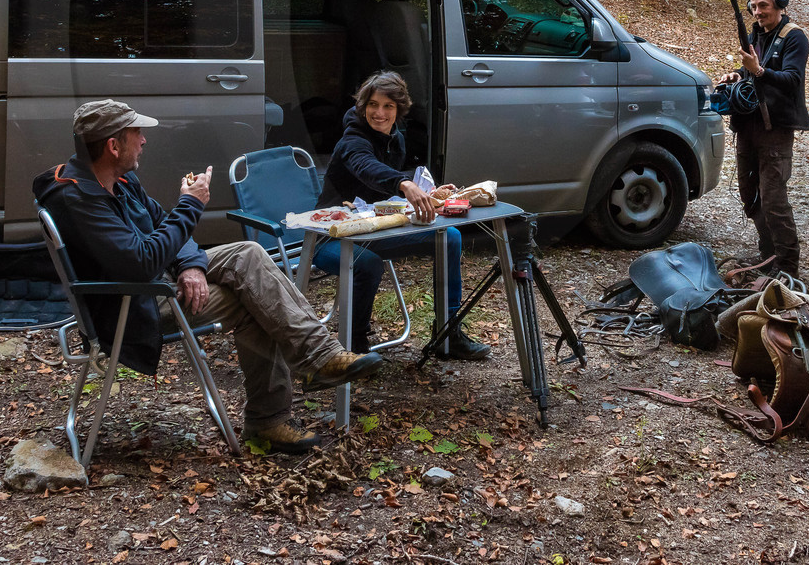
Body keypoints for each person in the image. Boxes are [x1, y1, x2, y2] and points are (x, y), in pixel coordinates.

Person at [34, 99, 383, 455]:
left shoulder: (119, 181)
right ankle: (276, 410)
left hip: (153, 285)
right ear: (113, 145)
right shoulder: (78, 198)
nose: (144, 141)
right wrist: (191, 204)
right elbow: (140, 262)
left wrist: (190, 265)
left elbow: (163, 225)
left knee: (249, 255)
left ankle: (316, 362)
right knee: (255, 298)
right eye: (136, 133)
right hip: (131, 309)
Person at [314, 71, 492, 361]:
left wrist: (425, 188)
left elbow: (383, 180)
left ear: (399, 110)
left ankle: (447, 336)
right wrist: (403, 183)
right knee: (368, 264)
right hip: (331, 237)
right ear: (362, 106)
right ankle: (354, 346)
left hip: (373, 229)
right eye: (372, 104)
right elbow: (367, 168)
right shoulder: (352, 141)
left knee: (450, 237)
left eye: (388, 106)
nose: (379, 113)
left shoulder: (394, 138)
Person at [717, 0, 809, 278]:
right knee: (750, 195)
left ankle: (788, 268)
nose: (758, 12)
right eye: (754, 7)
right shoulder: (754, 35)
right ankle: (768, 256)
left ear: (779, 5)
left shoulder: (795, 37)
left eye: (764, 6)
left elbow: (792, 79)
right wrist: (738, 74)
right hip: (748, 126)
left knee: (773, 199)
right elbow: (750, 72)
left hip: (776, 129)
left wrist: (758, 70)